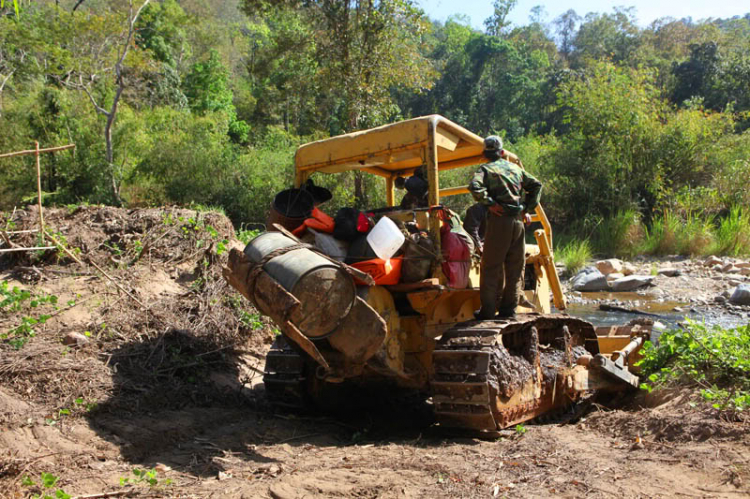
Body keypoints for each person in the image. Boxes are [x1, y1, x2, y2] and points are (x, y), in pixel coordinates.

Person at [468, 135, 542, 319]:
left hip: (499, 220)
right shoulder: (515, 168)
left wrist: (490, 203)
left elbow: (474, 186)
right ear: (502, 153)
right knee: (515, 267)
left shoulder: (485, 169)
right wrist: (526, 207)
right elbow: (536, 185)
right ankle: (508, 310)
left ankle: (487, 311)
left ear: (485, 154)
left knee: (491, 266)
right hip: (518, 222)